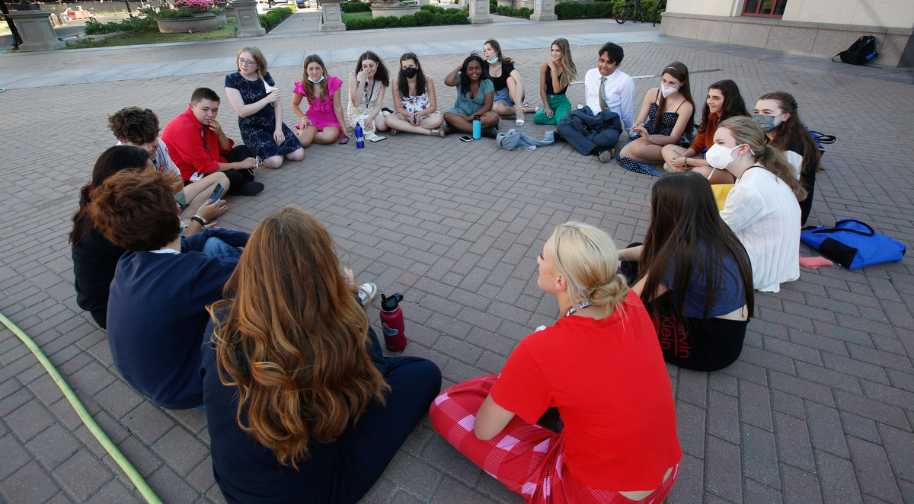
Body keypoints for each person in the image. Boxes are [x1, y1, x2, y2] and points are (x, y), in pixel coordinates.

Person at [430, 222, 682, 504]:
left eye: (542, 256)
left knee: (445, 407)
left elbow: (483, 430)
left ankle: (522, 390)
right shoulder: (632, 303)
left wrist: (515, 375)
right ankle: (526, 390)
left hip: (599, 495)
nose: (537, 260)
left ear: (561, 282)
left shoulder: (541, 349)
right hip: (665, 474)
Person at [202, 207, 442, 503]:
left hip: (237, 488)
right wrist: (348, 306)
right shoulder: (328, 339)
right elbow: (373, 376)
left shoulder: (221, 321)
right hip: (310, 493)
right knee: (423, 374)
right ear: (323, 273)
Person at [87, 169, 248, 409]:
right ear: (177, 212)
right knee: (264, 301)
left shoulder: (129, 261)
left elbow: (190, 243)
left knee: (213, 243)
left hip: (155, 383)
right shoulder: (192, 273)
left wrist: (239, 237)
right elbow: (263, 270)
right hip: (190, 391)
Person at [70, 146, 224, 330]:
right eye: (151, 177)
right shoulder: (122, 219)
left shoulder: (108, 207)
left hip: (127, 295)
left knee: (212, 246)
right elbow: (170, 258)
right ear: (130, 182)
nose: (158, 179)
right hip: (120, 311)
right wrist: (198, 220)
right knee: (212, 254)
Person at [618, 172, 755, 371]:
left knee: (627, 322)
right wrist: (614, 255)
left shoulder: (681, 255)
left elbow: (629, 302)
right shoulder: (712, 230)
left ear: (672, 211)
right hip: (721, 328)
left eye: (655, 202)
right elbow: (650, 252)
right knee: (633, 253)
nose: (650, 206)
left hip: (708, 346)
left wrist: (588, 294)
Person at [712, 116, 806, 292]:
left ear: (743, 148)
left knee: (676, 249)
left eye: (720, 143)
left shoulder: (749, 188)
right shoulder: (762, 172)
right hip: (775, 264)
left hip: (757, 270)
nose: (714, 148)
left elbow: (715, 231)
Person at [108, 106, 229, 218]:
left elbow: (179, 183)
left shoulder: (159, 145)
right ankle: (191, 221)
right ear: (122, 140)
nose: (148, 148)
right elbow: (136, 208)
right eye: (139, 143)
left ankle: (186, 218)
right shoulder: (117, 163)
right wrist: (161, 183)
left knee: (222, 179)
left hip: (166, 199)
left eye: (151, 139)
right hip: (143, 216)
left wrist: (159, 185)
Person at [162, 87, 265, 197]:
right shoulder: (184, 129)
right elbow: (206, 167)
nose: (210, 114)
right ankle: (238, 185)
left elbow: (226, 149)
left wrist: (220, 133)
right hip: (189, 176)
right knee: (232, 174)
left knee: (243, 150)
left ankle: (241, 183)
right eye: (205, 109)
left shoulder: (204, 120)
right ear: (192, 106)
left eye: (214, 110)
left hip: (207, 163)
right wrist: (241, 165)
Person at [225, 46, 304, 169]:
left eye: (249, 62)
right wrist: (267, 99)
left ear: (258, 64)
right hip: (252, 127)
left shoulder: (264, 76)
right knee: (276, 162)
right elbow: (242, 111)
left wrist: (278, 128)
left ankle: (273, 151)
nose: (244, 64)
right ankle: (260, 154)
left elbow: (277, 104)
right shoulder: (232, 80)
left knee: (298, 155)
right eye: (241, 60)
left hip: (271, 122)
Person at [556, 42, 635, 163]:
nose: (603, 65)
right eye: (601, 60)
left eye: (609, 62)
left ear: (618, 65)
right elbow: (589, 99)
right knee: (563, 125)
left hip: (609, 122)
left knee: (606, 140)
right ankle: (599, 150)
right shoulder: (590, 74)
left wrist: (631, 132)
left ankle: (575, 137)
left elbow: (627, 109)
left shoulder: (625, 81)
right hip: (590, 116)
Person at [661, 79, 749, 184]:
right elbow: (699, 142)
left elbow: (721, 161)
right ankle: (684, 174)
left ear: (729, 100)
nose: (710, 102)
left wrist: (686, 161)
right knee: (667, 149)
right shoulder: (712, 115)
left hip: (729, 170)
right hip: (708, 159)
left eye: (716, 98)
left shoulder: (738, 124)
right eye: (708, 97)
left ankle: (683, 175)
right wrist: (683, 157)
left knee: (701, 172)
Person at [754, 91, 822, 226]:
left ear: (786, 116)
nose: (760, 117)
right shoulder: (771, 135)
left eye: (767, 113)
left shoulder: (792, 145)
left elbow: (780, 186)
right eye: (757, 112)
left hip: (787, 213)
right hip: (777, 202)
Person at [617, 62, 695, 177]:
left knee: (636, 148)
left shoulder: (686, 105)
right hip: (648, 134)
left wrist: (649, 137)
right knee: (623, 154)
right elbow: (641, 119)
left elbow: (673, 138)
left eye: (671, 83)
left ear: (682, 83)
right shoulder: (653, 93)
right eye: (664, 80)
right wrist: (638, 126)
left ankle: (669, 158)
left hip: (667, 141)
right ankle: (667, 160)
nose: (666, 85)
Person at [291, 54, 350, 147]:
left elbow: (337, 106)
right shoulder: (303, 85)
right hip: (312, 117)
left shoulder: (333, 82)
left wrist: (343, 127)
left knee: (329, 138)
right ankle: (306, 136)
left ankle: (308, 135)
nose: (314, 72)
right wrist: (303, 118)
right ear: (306, 70)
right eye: (311, 69)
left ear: (322, 68)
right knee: (303, 142)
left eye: (317, 68)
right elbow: (294, 104)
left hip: (330, 117)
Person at [386, 52, 445, 137]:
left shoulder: (427, 79)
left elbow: (433, 106)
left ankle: (403, 127)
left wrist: (420, 114)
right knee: (389, 120)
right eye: (404, 67)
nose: (408, 69)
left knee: (438, 119)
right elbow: (398, 107)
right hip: (405, 115)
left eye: (410, 66)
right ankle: (428, 132)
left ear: (417, 65)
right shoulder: (396, 81)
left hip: (423, 115)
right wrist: (409, 115)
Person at [442, 54, 499, 137]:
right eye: (470, 69)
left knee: (494, 117)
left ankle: (458, 128)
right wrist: (459, 66)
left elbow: (488, 106)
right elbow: (447, 81)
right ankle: (483, 132)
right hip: (461, 112)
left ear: (482, 69)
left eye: (477, 68)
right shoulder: (460, 78)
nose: (474, 72)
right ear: (466, 70)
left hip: (480, 115)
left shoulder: (487, 83)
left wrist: (470, 117)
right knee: (447, 115)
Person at [483, 39, 535, 126]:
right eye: (484, 51)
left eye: (489, 49)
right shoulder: (484, 65)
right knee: (496, 108)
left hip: (514, 93)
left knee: (510, 79)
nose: (486, 52)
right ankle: (524, 108)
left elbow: (520, 81)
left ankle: (520, 112)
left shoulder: (505, 65)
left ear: (497, 51)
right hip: (500, 99)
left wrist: (518, 103)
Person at [347, 51, 391, 141]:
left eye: (371, 66)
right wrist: (362, 81)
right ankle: (382, 116)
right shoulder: (354, 76)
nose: (368, 69)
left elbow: (378, 104)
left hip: (372, 109)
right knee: (369, 129)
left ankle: (384, 112)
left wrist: (370, 118)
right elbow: (355, 102)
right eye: (365, 66)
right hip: (357, 112)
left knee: (383, 126)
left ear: (377, 64)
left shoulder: (381, 80)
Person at [533, 38, 577, 126]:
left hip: (561, 101)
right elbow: (542, 89)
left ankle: (562, 118)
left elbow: (556, 89)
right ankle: (563, 118)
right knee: (537, 118)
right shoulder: (545, 66)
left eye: (558, 51)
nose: (554, 53)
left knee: (561, 122)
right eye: (552, 50)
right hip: (549, 101)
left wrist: (553, 70)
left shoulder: (568, 69)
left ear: (564, 52)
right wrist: (547, 107)